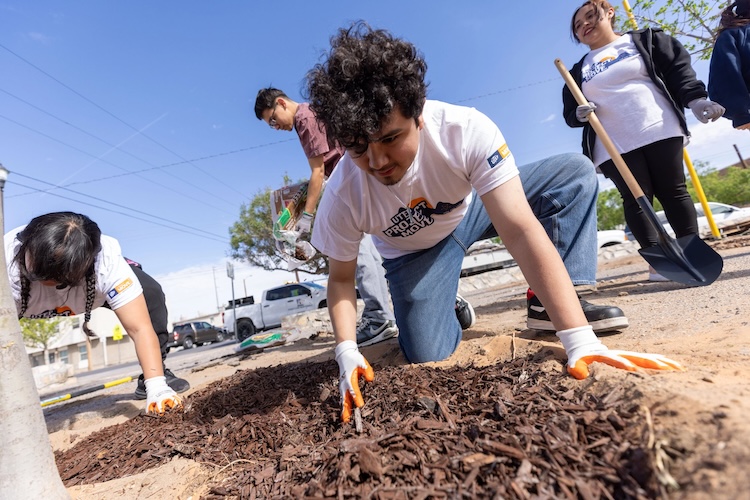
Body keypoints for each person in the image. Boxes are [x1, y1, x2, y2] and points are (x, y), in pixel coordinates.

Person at [305, 22, 683, 423]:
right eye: (360, 148)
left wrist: (578, 338)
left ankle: (550, 306)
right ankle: (446, 298)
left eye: (390, 138)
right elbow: (342, 279)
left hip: (473, 210)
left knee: (573, 172)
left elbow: (519, 228)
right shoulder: (343, 193)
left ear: (418, 115)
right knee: (427, 352)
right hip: (413, 253)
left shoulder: (464, 130)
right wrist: (346, 349)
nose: (378, 162)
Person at [563, 0, 725, 281]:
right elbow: (570, 114)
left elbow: (678, 71)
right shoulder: (577, 71)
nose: (584, 25)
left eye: (590, 16)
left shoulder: (645, 41)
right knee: (636, 200)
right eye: (577, 26)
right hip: (612, 144)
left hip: (658, 127)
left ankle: (691, 253)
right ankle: (658, 262)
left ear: (609, 12)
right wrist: (578, 114)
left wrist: (696, 99)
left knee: (674, 191)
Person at [254, 88, 398, 347]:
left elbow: (318, 172)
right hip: (352, 174)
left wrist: (306, 217)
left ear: (281, 103)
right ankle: (384, 315)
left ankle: (379, 318)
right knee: (374, 247)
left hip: (348, 176)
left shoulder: (304, 119)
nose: (275, 126)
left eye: (273, 119)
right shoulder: (309, 116)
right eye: (270, 125)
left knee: (357, 248)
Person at [5, 212, 184, 415]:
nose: (49, 283)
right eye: (41, 275)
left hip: (92, 290)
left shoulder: (106, 263)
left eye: (56, 279)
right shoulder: (7, 265)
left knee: (151, 292)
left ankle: (154, 377)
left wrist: (158, 388)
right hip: (20, 302)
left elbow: (139, 328)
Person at [122, 258, 191, 400]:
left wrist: (155, 385)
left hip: (92, 261)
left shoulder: (107, 260)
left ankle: (156, 372)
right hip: (64, 269)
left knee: (150, 290)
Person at [708, 0, 750, 130]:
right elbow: (727, 76)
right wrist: (742, 114)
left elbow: (724, 79)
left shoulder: (731, 35)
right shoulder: (735, 36)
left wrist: (742, 115)